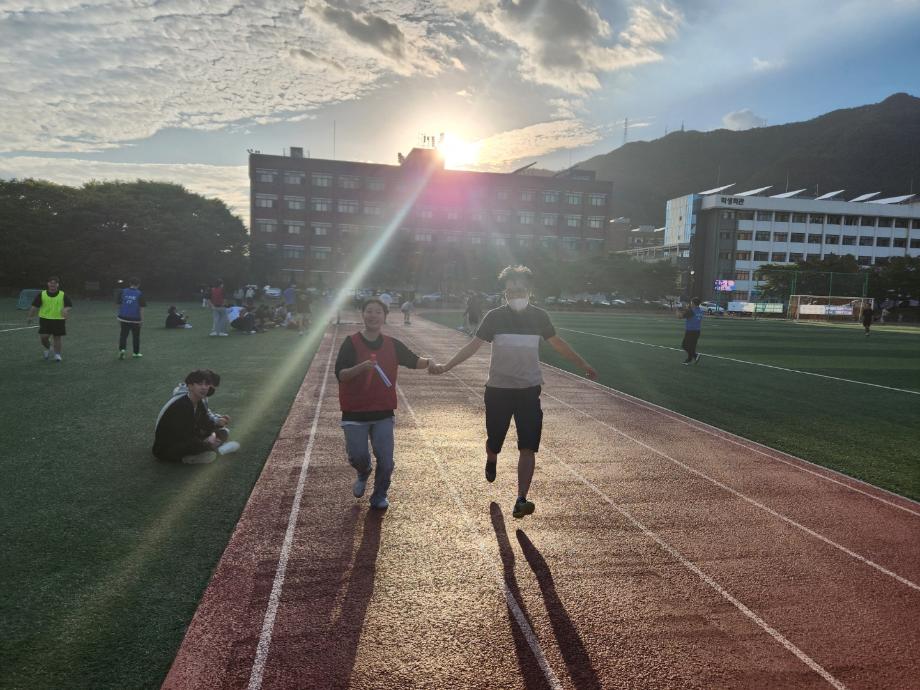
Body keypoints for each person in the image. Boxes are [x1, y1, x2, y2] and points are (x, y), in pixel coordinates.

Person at [429, 265, 597, 519]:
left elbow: (557, 343)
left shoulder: (539, 317)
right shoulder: (494, 317)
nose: (515, 296)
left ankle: (521, 498)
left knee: (528, 446)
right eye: (510, 292)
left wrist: (583, 364)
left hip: (529, 390)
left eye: (520, 291)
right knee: (495, 441)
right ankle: (492, 457)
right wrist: (447, 366)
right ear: (504, 294)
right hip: (498, 390)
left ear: (529, 291)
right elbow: (473, 346)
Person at [335, 298, 432, 510]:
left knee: (387, 461)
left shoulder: (392, 344)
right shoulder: (351, 343)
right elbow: (341, 374)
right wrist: (362, 367)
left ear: (384, 316)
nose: (373, 315)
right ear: (363, 314)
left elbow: (413, 360)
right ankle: (363, 471)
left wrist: (431, 363)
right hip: (354, 412)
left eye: (378, 312)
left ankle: (379, 495)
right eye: (369, 311)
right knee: (358, 456)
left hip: (383, 412)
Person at [153, 370, 239, 464]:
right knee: (206, 450)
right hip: (168, 447)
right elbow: (186, 436)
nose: (204, 387)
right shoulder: (181, 406)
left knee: (223, 431)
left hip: (188, 437)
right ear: (190, 386)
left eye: (207, 384)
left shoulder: (199, 402)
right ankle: (191, 457)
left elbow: (206, 423)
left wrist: (214, 432)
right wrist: (206, 443)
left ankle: (211, 448)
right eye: (199, 384)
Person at [27, 276, 72, 362]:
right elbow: (34, 306)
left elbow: (69, 305)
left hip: (58, 319)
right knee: (44, 338)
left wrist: (65, 309)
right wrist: (30, 316)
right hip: (45, 319)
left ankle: (57, 355)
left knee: (57, 338)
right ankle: (49, 348)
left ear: (57, 285)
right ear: (48, 284)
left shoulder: (62, 294)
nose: (52, 285)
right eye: (51, 283)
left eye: (54, 283)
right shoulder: (42, 294)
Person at [116, 277, 146, 359]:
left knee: (123, 335)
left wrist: (119, 315)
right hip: (135, 319)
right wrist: (141, 320)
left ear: (130, 283)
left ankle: (122, 350)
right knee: (136, 336)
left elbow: (119, 305)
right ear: (138, 285)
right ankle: (136, 353)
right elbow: (141, 308)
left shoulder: (122, 291)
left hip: (123, 317)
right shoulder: (140, 293)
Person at [680, 297, 704, 365]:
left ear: (693, 303)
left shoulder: (691, 311)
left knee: (684, 345)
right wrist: (687, 309)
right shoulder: (700, 311)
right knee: (692, 347)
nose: (690, 304)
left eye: (691, 302)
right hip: (697, 331)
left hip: (690, 331)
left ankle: (695, 356)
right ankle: (689, 359)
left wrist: (678, 311)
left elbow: (680, 316)